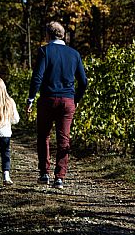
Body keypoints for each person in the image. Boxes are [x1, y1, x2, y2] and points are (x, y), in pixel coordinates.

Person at [26, 21, 87, 189]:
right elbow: (83, 81)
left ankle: (44, 173)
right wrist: (76, 99)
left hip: (48, 99)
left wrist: (31, 98)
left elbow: (37, 77)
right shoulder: (74, 54)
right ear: (63, 34)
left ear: (48, 35)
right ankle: (60, 176)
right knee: (64, 138)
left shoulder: (45, 51)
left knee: (43, 136)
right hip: (67, 100)